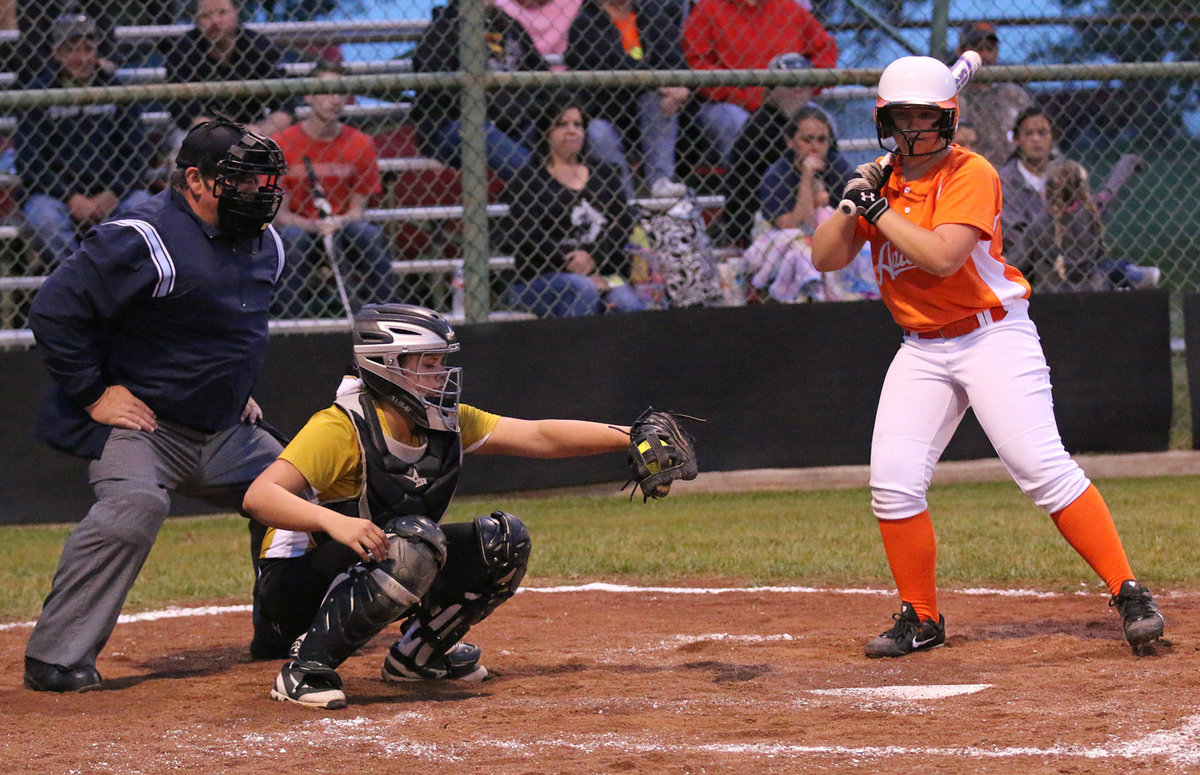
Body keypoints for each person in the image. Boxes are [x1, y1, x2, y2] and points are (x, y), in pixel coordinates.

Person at [811, 56, 1165, 659]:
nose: (914, 128)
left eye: (926, 116)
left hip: (992, 335)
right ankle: (921, 617)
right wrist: (850, 201)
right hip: (921, 347)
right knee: (892, 486)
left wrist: (878, 210)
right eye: (903, 117)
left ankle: (1129, 592)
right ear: (884, 122)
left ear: (948, 119)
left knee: (1041, 467)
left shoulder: (971, 172)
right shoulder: (881, 184)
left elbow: (943, 256)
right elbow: (825, 258)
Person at [245, 303, 683, 709]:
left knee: (504, 541)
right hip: (294, 596)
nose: (441, 375)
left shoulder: (442, 420)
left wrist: (629, 434)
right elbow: (259, 497)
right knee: (414, 542)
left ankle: (417, 657)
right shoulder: (340, 427)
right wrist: (332, 521)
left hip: (375, 561)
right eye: (428, 365)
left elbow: (537, 436)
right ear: (388, 367)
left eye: (440, 363)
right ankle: (305, 670)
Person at [22, 119, 289, 693]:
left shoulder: (266, 241)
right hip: (145, 428)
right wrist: (94, 392)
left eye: (264, 179)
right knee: (135, 507)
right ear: (195, 180)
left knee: (299, 492)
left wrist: (231, 384)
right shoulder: (143, 237)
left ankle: (286, 630)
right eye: (241, 181)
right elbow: (52, 310)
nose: (259, 191)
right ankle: (55, 658)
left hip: (225, 430)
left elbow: (231, 324)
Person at [15, 14, 155, 269]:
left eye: (88, 49)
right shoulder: (38, 92)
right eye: (72, 50)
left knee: (142, 206)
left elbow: (137, 152)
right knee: (44, 217)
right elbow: (30, 161)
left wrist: (113, 192)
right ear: (57, 53)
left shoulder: (116, 89)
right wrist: (70, 197)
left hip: (111, 191)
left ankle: (114, 281)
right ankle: (80, 278)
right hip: (57, 195)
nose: (83, 58)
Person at [270, 60, 394, 318]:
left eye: (340, 92)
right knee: (291, 238)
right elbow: (279, 214)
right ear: (310, 96)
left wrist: (338, 222)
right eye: (327, 92)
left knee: (368, 235)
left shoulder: (361, 143)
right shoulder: (283, 143)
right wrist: (312, 226)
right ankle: (290, 324)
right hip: (301, 228)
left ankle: (388, 317)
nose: (335, 100)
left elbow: (357, 211)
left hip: (341, 227)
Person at [502, 94, 646, 317]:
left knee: (629, 303)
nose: (572, 130)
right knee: (582, 289)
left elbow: (622, 225)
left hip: (601, 273)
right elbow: (527, 235)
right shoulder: (527, 181)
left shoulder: (605, 174)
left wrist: (593, 259)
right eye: (561, 124)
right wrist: (567, 259)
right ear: (546, 132)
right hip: (543, 279)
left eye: (577, 125)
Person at [681, 0, 837, 168]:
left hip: (787, 100)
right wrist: (740, 94)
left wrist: (806, 86)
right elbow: (696, 60)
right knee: (737, 123)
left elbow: (825, 48)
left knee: (824, 121)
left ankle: (822, 182)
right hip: (729, 103)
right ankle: (743, 187)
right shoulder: (708, 9)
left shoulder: (787, 7)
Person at [411, 0, 550, 181]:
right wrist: (496, 107)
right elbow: (437, 89)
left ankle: (547, 186)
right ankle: (544, 184)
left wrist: (523, 109)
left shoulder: (509, 26)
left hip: (516, 120)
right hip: (455, 124)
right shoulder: (443, 30)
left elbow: (543, 77)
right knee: (488, 137)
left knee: (556, 131)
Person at [565, 0, 691, 198]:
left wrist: (677, 87)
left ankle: (660, 182)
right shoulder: (586, 22)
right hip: (605, 112)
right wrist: (658, 81)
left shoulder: (651, 15)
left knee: (658, 101)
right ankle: (627, 201)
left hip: (648, 112)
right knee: (598, 134)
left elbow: (675, 60)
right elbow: (610, 63)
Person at [722, 52, 847, 248]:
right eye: (790, 82)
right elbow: (745, 191)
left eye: (805, 82)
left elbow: (834, 172)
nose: (798, 88)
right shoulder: (759, 128)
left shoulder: (817, 122)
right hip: (770, 217)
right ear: (772, 90)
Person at [1021, 160, 1160, 293]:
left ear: (1047, 190)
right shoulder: (1092, 210)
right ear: (1081, 188)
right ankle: (1131, 274)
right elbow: (1112, 187)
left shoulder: (1039, 222)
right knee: (1115, 267)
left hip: (1049, 292)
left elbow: (1018, 260)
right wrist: (1130, 161)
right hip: (1095, 289)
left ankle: (1129, 272)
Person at [164, 0, 295, 137]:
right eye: (205, 15)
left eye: (222, 12)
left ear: (236, 11)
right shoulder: (183, 50)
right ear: (196, 18)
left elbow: (285, 105)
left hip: (253, 126)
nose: (214, 21)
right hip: (201, 131)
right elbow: (182, 111)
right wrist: (220, 132)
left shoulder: (258, 46)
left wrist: (260, 132)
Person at [952, 21, 1035, 168]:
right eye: (977, 49)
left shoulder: (1013, 95)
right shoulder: (951, 96)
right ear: (961, 52)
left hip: (1012, 177)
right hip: (965, 174)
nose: (984, 55)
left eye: (990, 49)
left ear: (997, 53)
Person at [998, 106, 1058, 279]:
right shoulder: (1004, 180)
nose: (1036, 139)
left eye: (1042, 133)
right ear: (1017, 139)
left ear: (1052, 137)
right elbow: (1013, 233)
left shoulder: (1063, 174)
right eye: (1028, 134)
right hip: (1024, 263)